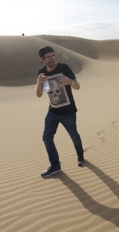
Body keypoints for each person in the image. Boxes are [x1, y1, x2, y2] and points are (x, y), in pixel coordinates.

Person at [35, 46, 85, 178]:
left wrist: (70, 81)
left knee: (74, 136)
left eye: (53, 56)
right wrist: (38, 82)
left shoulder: (64, 68)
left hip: (68, 111)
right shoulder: (42, 73)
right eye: (48, 57)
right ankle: (55, 165)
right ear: (41, 59)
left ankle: (80, 155)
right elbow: (39, 94)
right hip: (53, 111)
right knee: (46, 138)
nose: (51, 59)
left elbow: (77, 86)